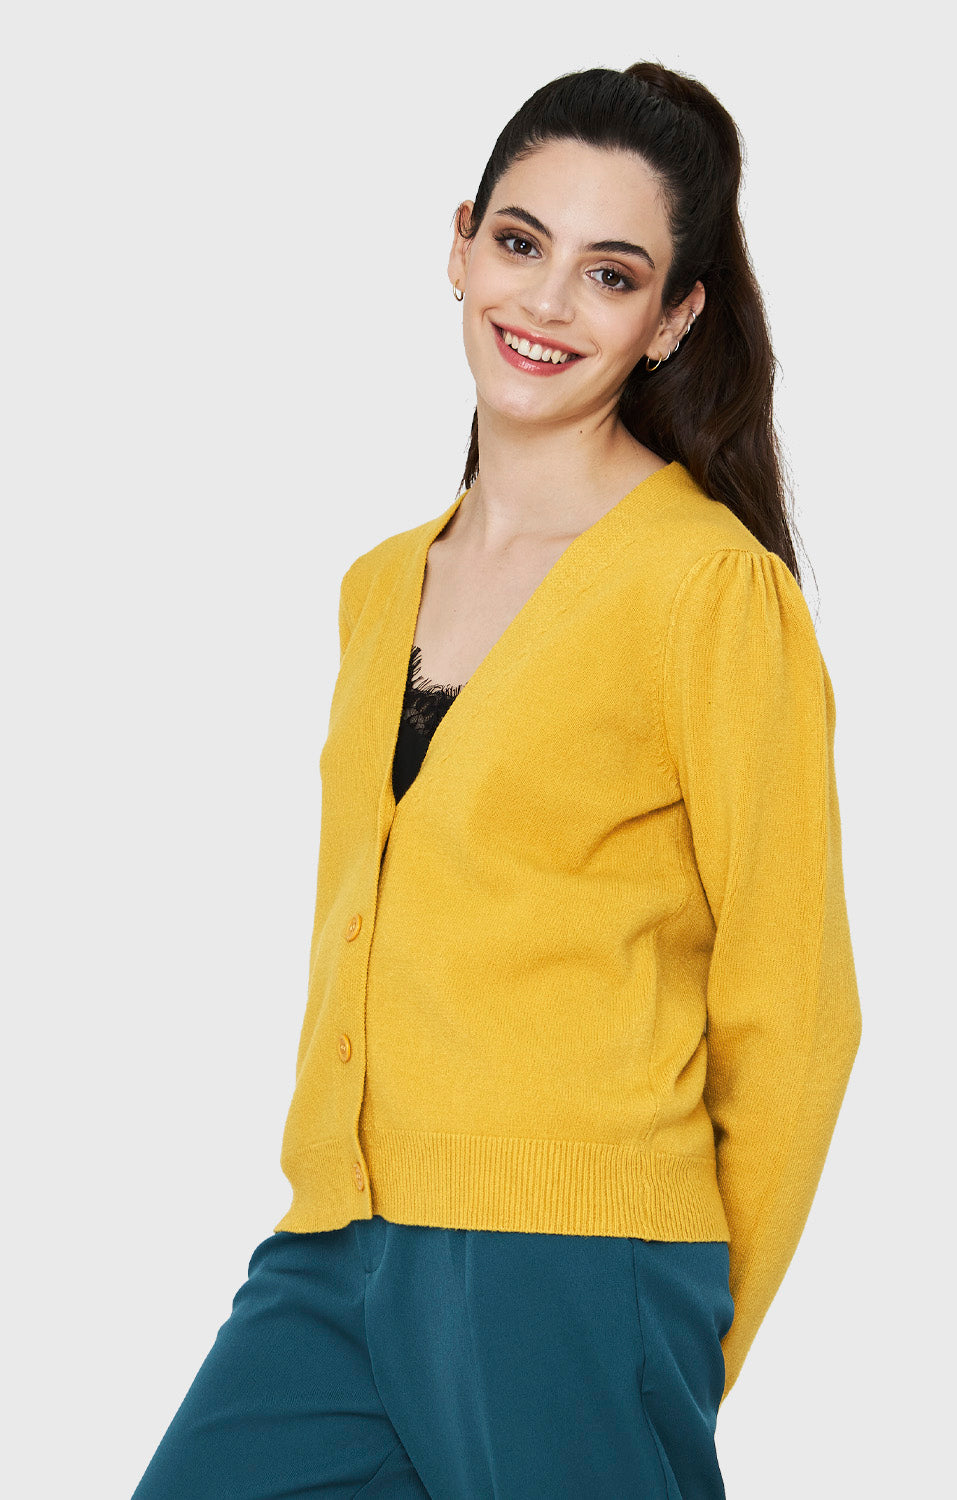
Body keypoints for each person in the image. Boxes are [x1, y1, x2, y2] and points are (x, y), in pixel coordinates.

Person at [132, 61, 863, 1500]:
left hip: (575, 1263)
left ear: (674, 318)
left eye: (612, 274)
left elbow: (797, 1010)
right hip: (336, 1245)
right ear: (460, 243)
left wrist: (672, 1321)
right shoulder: (377, 588)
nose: (546, 302)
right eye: (522, 243)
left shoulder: (708, 593)